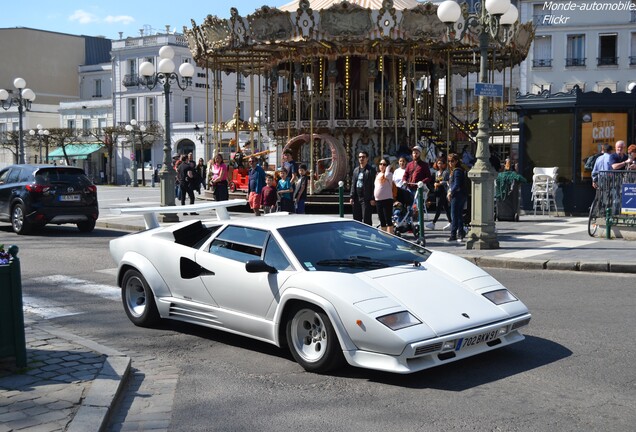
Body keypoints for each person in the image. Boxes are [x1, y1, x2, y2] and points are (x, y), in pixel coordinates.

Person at [350, 151, 376, 225]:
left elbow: (373, 184)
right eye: (360, 157)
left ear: (367, 159)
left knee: (366, 219)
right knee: (357, 219)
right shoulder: (356, 170)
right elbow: (353, 184)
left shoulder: (370, 170)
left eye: (363, 157)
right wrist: (352, 196)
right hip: (357, 198)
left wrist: (372, 197)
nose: (361, 158)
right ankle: (359, 236)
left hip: (366, 199)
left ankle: (367, 236)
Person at [446, 153, 467, 242]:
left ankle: (453, 235)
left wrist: (450, 192)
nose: (450, 163)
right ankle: (461, 233)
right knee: (458, 215)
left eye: (452, 161)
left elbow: (457, 184)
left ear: (456, 161)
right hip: (460, 195)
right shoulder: (456, 170)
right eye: (449, 161)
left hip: (457, 195)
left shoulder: (457, 171)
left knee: (454, 215)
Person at [426, 158, 452, 231]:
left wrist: (440, 183)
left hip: (443, 191)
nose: (439, 165)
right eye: (438, 163)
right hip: (437, 191)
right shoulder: (436, 172)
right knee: (446, 208)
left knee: (439, 207)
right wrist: (434, 184)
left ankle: (433, 222)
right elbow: (433, 181)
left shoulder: (445, 172)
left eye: (441, 163)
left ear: (444, 164)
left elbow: (447, 182)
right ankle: (451, 222)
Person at [374, 157, 394, 234]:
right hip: (378, 200)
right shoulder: (378, 174)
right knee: (382, 219)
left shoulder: (389, 174)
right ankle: (384, 237)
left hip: (387, 199)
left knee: (388, 219)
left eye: (384, 164)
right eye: (380, 164)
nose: (382, 166)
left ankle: (391, 236)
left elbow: (386, 175)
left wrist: (388, 167)